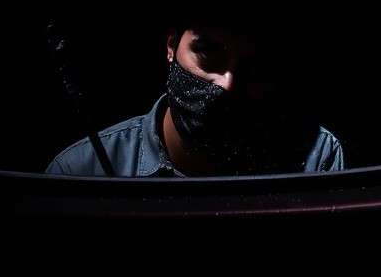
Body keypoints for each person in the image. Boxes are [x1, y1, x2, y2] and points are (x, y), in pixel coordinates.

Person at [45, 15, 345, 177]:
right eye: (207, 53)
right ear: (171, 46)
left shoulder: (316, 158)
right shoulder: (80, 171)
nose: (227, 83)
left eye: (253, 69)